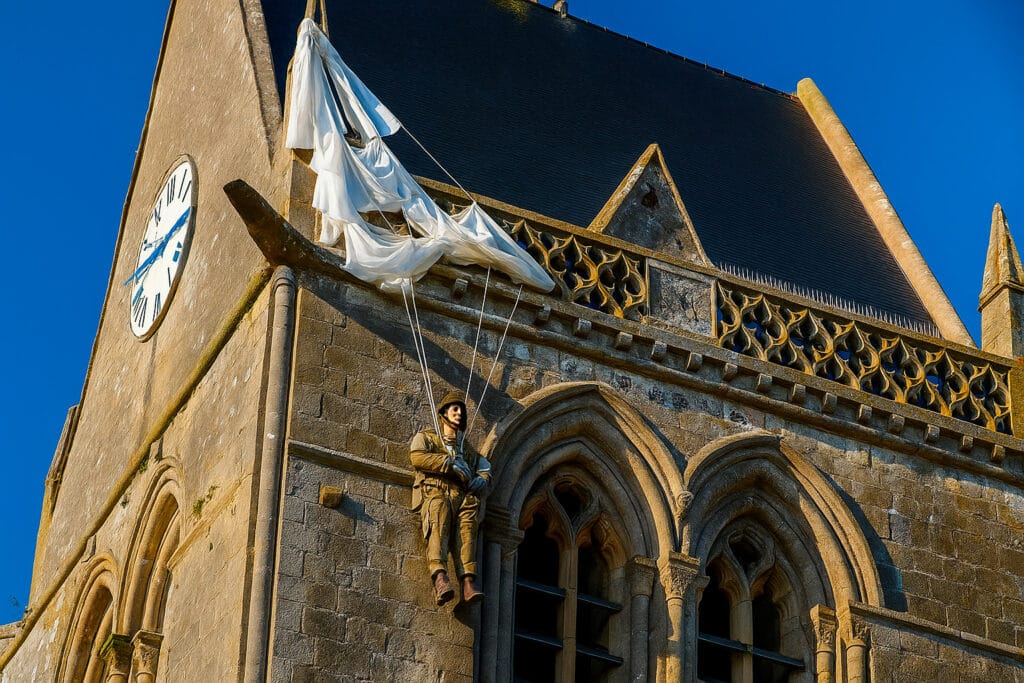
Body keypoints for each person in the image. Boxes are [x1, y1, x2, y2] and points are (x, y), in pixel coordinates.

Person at [409, 391, 491, 605]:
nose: (459, 414)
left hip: (462, 497)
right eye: (454, 409)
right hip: (437, 492)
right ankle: (439, 576)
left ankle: (468, 582)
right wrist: (449, 464)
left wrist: (482, 478)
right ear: (444, 413)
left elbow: (484, 467)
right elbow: (417, 456)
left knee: (468, 526)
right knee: (439, 517)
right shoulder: (428, 438)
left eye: (461, 411)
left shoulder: (467, 451)